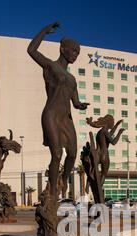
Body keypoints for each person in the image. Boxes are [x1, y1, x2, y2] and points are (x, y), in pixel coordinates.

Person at [28, 22, 90, 199]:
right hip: (51, 115)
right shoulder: (50, 66)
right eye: (73, 50)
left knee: (72, 154)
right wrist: (44, 31)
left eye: (78, 52)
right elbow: (31, 50)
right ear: (62, 49)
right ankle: (54, 193)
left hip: (66, 118)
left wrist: (81, 105)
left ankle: (61, 181)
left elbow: (75, 102)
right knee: (56, 154)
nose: (75, 55)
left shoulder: (72, 79)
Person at [86, 115, 125, 186]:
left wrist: (116, 125)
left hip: (98, 154)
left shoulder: (101, 132)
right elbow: (113, 142)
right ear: (109, 123)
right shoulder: (104, 130)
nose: (112, 125)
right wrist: (119, 133)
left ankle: (93, 185)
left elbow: (110, 134)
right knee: (103, 175)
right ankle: (99, 188)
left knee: (97, 173)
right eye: (112, 123)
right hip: (104, 155)